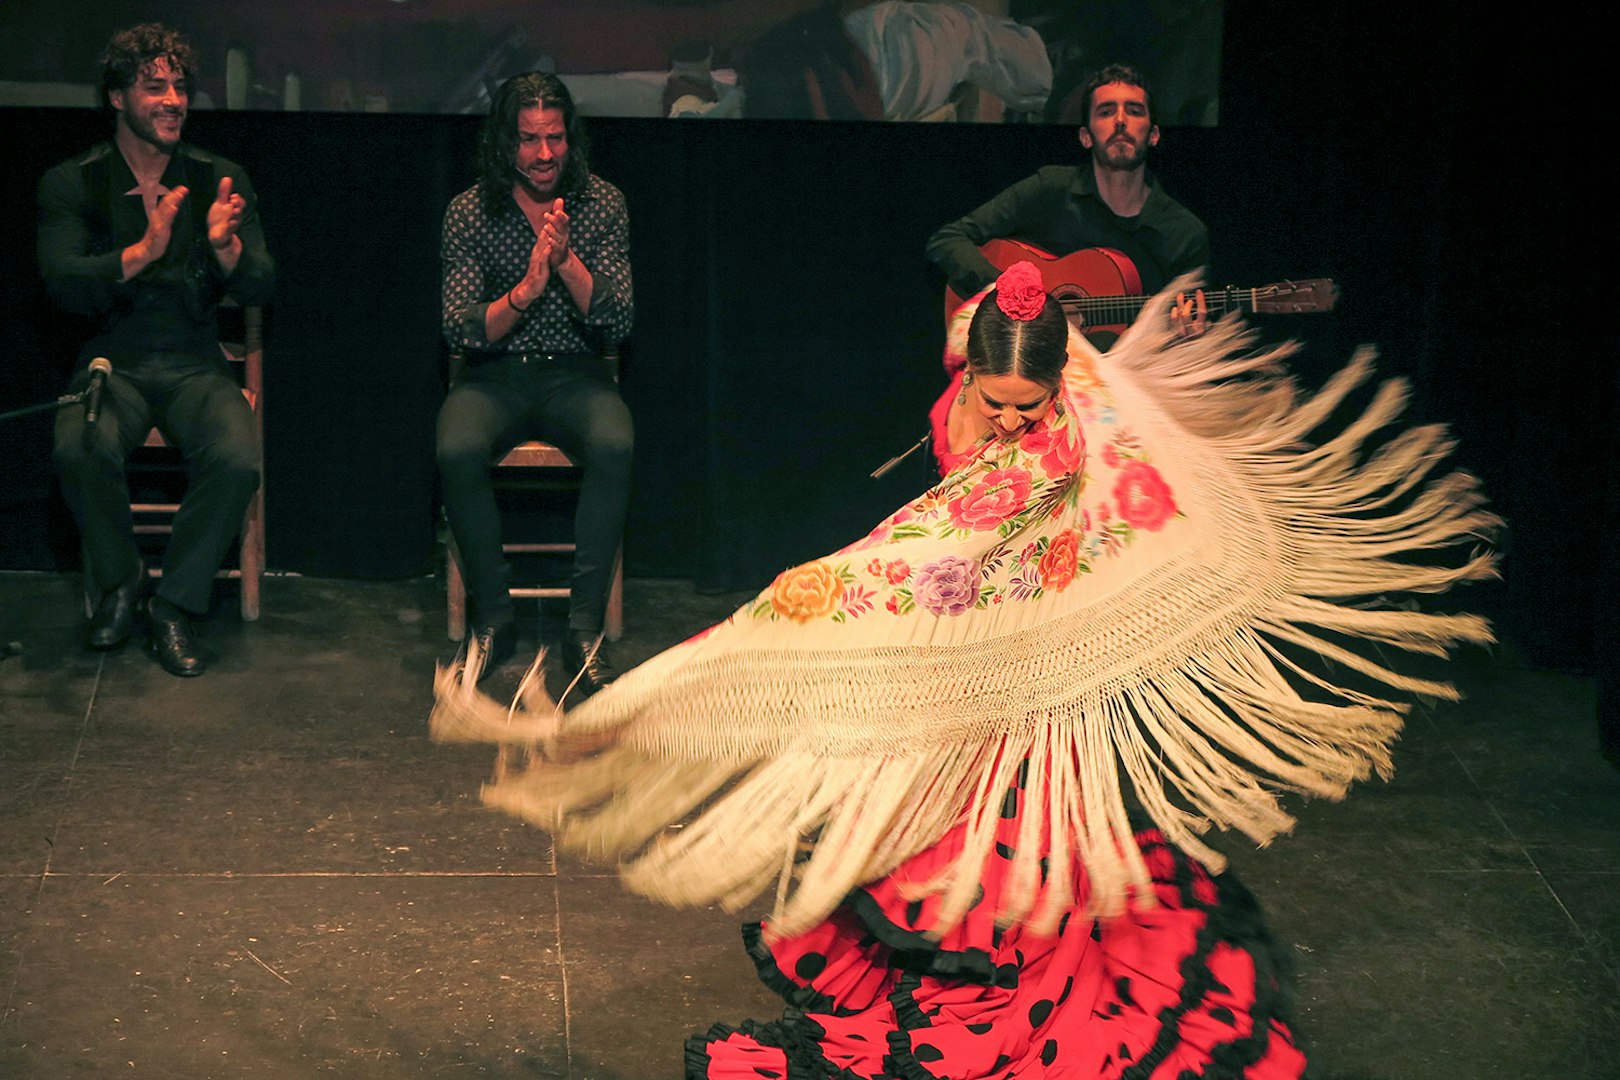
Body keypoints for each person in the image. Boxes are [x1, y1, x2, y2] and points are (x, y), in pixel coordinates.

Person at [433, 261, 1498, 1078]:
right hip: (959, 658)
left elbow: (1066, 452)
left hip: (1027, 670)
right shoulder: (977, 379)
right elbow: (910, 556)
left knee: (1025, 896)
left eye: (1031, 406)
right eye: (997, 401)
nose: (1014, 424)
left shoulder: (1063, 429)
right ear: (969, 369)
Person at [38, 23, 274, 677]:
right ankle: (122, 583)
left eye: (179, 87)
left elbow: (263, 281)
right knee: (78, 444)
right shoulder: (73, 182)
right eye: (154, 86)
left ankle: (173, 603)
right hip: (113, 361)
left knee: (234, 457)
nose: (173, 99)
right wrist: (142, 253)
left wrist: (227, 249)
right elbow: (59, 279)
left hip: (196, 362)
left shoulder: (218, 179)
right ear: (117, 98)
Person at [436, 72, 635, 692]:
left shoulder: (602, 203)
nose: (544, 154)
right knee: (456, 447)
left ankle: (584, 629)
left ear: (569, 139)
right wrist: (525, 289)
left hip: (575, 372)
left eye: (554, 139)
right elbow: (461, 328)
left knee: (615, 443)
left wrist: (566, 262)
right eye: (528, 140)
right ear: (506, 143)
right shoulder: (470, 209)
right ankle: (495, 620)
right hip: (493, 375)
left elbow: (618, 318)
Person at [926, 62, 1210, 347]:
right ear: (1086, 137)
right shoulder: (1050, 189)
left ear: (1154, 135)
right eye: (1106, 111)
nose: (1120, 121)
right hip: (1034, 364)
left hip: (1130, 376)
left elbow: (1187, 345)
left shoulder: (1184, 234)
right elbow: (947, 239)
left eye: (1134, 111)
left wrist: (1187, 336)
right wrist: (1010, 291)